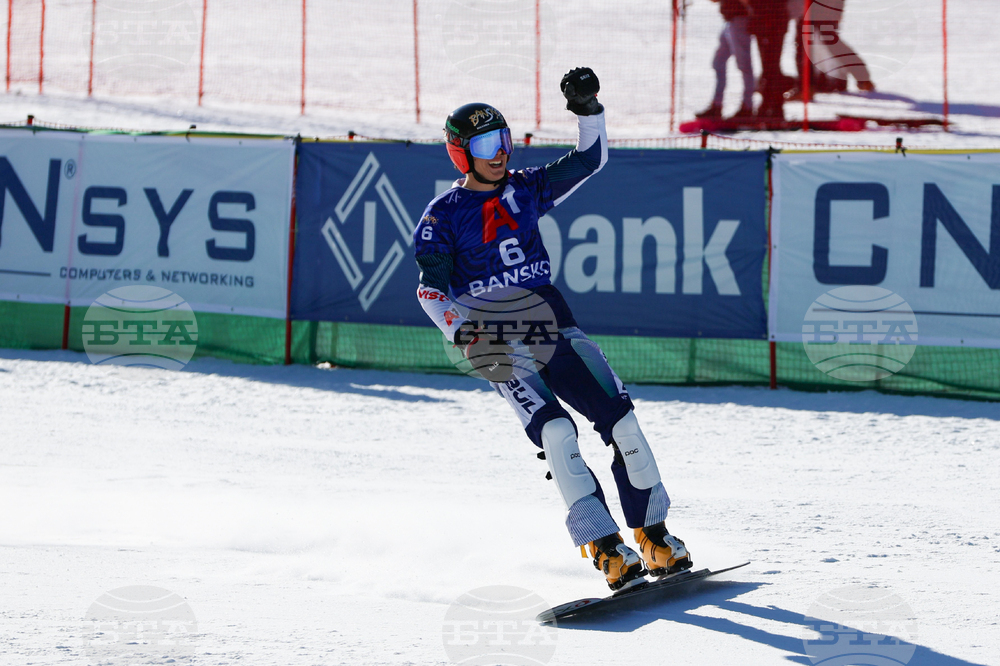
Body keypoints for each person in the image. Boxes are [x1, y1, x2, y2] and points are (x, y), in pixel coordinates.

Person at [412, 68, 692, 591]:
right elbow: (431, 290)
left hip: (557, 331)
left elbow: (590, 159)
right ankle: (607, 549)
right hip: (499, 344)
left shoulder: (528, 188)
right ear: (461, 153)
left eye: (503, 139)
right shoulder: (442, 215)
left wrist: (588, 110)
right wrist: (463, 333)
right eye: (486, 144)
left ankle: (654, 537)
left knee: (624, 427)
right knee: (558, 433)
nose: (500, 152)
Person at [696, 0, 755, 120]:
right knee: (718, 63)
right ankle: (717, 105)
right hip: (729, 20)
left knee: (744, 65)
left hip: (740, 19)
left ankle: (747, 107)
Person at [748, 0, 791, 119]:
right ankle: (773, 107)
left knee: (771, 65)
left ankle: (772, 107)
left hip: (772, 21)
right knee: (769, 65)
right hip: (764, 21)